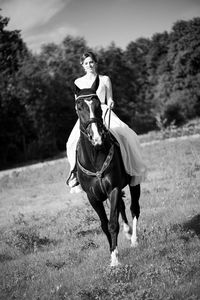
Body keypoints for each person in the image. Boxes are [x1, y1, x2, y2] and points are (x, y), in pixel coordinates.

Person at [66, 51, 147, 193]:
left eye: (91, 62)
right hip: (86, 116)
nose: (89, 65)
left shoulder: (104, 79)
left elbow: (109, 98)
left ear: (95, 63)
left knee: (127, 135)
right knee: (71, 142)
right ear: (82, 65)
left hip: (103, 111)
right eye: (86, 63)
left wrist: (111, 103)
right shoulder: (77, 82)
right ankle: (75, 174)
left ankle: (132, 167)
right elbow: (77, 103)